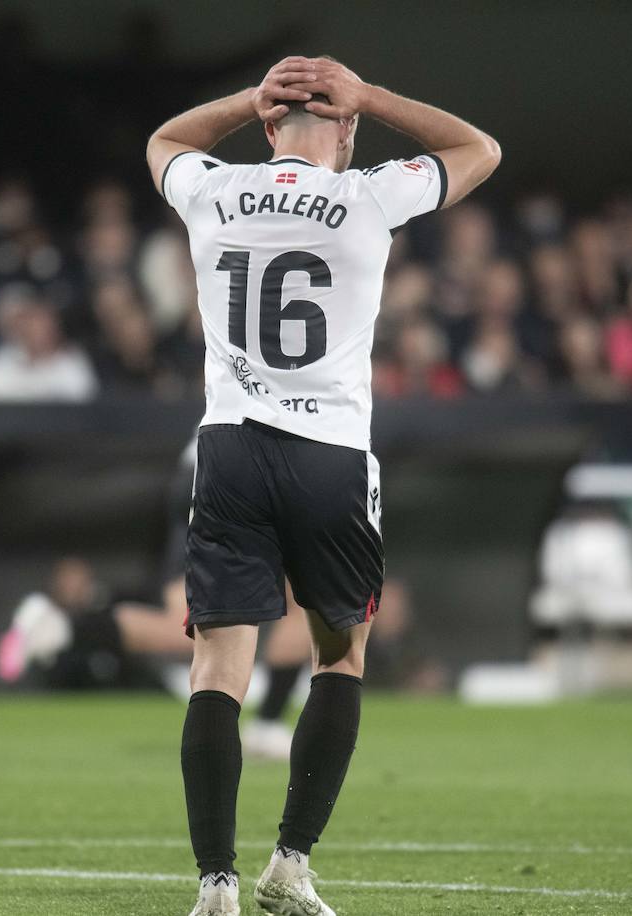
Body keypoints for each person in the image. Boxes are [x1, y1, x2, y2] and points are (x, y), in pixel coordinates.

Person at [146, 55, 499, 915]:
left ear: (269, 128)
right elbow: (480, 149)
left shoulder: (213, 189)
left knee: (217, 666)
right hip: (330, 454)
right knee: (342, 654)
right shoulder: (368, 195)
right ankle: (290, 865)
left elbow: (163, 140)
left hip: (229, 448)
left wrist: (242, 99)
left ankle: (215, 886)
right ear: (344, 130)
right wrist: (373, 96)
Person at [0, 436, 311, 758]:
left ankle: (63, 627)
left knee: (191, 626)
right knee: (301, 595)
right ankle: (268, 722)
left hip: (211, 468)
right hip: (249, 472)